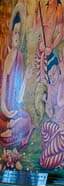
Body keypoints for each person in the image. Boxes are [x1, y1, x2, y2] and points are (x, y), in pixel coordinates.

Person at [0, 11, 33, 150]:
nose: (17, 37)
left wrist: (25, 77)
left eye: (20, 34)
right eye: (15, 33)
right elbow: (2, 93)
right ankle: (8, 128)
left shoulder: (19, 56)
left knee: (27, 120)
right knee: (24, 123)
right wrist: (6, 112)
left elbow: (19, 97)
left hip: (14, 109)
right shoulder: (6, 58)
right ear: (11, 34)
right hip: (5, 109)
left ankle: (9, 131)